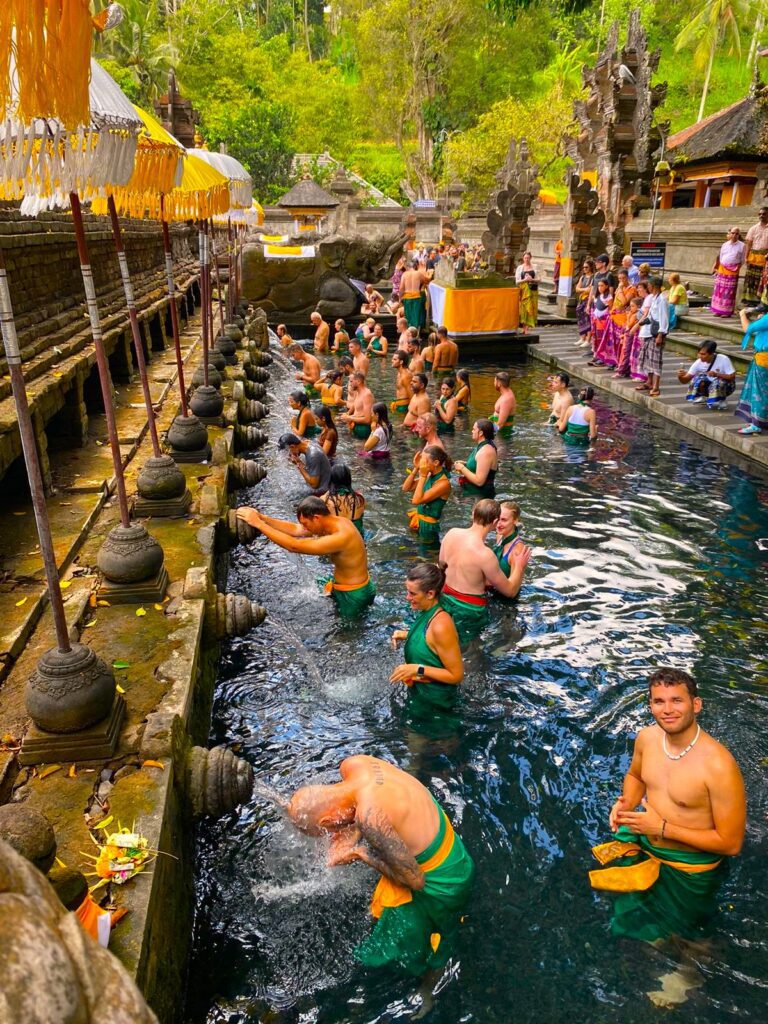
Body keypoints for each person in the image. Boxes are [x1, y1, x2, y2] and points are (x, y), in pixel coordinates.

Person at [590, 668, 745, 1004]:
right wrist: (626, 803)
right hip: (648, 842)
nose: (668, 709)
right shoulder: (647, 738)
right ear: (650, 705)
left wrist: (662, 828)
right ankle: (659, 938)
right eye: (659, 701)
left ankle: (689, 974)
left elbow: (732, 843)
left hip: (692, 868)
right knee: (646, 904)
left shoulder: (718, 765)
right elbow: (634, 775)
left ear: (697, 704)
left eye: (677, 700)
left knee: (693, 930)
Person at [287, 755, 474, 977]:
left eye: (328, 831)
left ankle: (429, 986)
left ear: (327, 822)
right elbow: (378, 804)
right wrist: (354, 831)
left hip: (446, 881)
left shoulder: (370, 818)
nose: (333, 834)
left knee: (420, 944)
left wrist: (360, 853)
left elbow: (416, 880)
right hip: (453, 846)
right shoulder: (355, 765)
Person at [238, 496, 375, 615]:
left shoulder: (341, 536)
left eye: (306, 524)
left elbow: (293, 545)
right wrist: (262, 518)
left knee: (346, 637)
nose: (305, 528)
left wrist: (259, 524)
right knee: (317, 584)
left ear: (316, 518)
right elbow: (296, 530)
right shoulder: (335, 522)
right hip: (345, 586)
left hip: (354, 596)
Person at [438, 499, 531, 639]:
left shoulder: (451, 533)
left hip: (444, 599)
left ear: (473, 513)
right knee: (470, 651)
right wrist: (519, 566)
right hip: (469, 610)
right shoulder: (485, 554)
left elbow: (441, 568)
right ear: (494, 523)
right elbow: (510, 591)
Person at [390, 563, 463, 714]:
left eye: (412, 594)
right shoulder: (428, 611)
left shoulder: (441, 626)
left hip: (436, 705)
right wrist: (408, 634)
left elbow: (456, 675)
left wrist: (417, 669)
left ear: (430, 594)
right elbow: (429, 638)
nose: (407, 597)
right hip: (422, 696)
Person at [402, 445, 451, 545]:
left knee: (427, 557)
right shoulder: (431, 475)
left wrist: (423, 476)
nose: (422, 464)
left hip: (429, 527)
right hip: (420, 522)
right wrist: (416, 468)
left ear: (436, 463)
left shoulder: (443, 483)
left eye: (425, 461)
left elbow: (416, 501)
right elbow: (406, 488)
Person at [735, 308, 768, 434]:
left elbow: (748, 329)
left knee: (759, 392)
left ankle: (756, 423)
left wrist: (743, 314)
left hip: (764, 358)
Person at [677, 340, 736, 409]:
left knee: (719, 382)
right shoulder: (698, 362)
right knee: (696, 379)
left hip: (727, 386)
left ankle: (722, 400)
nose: (700, 356)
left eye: (703, 354)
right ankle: (704, 396)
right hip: (710, 385)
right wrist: (680, 376)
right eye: (699, 353)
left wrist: (717, 374)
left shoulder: (723, 359)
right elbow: (685, 380)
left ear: (711, 354)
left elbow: (732, 376)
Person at [636, 276, 669, 398]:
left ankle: (656, 386)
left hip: (657, 334)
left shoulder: (662, 300)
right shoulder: (654, 298)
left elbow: (664, 319)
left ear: (653, 286)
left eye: (649, 285)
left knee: (655, 360)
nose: (648, 286)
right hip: (649, 332)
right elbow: (651, 316)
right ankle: (649, 382)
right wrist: (640, 323)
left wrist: (660, 335)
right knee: (647, 358)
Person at [454, 419, 497, 497]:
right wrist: (466, 465)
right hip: (472, 492)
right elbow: (481, 466)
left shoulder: (486, 451)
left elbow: (479, 481)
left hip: (480, 496)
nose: (472, 431)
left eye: (474, 429)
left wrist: (462, 468)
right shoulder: (482, 446)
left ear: (480, 433)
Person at [709, 227, 746, 318]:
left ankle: (726, 312)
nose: (734, 235)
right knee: (719, 290)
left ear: (739, 235)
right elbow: (721, 257)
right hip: (722, 269)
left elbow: (742, 260)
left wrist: (736, 268)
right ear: (730, 234)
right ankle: (717, 310)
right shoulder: (725, 244)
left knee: (729, 291)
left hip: (733, 270)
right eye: (732, 233)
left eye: (736, 234)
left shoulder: (742, 246)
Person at [321, 462, 365, 535]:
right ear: (349, 479)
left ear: (332, 480)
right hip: (358, 540)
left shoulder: (325, 500)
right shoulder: (360, 498)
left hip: (337, 540)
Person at [492, 500, 525, 581]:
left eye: (504, 520)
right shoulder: (500, 536)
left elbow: (514, 588)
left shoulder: (517, 551)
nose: (498, 524)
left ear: (515, 521)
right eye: (497, 518)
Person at [742, 207, 768, 305]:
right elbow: (749, 243)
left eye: (764, 214)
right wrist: (746, 256)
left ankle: (760, 301)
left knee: (762, 279)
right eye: (760, 214)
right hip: (753, 256)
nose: (761, 216)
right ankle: (749, 301)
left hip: (764, 258)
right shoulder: (753, 228)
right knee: (750, 279)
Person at [340, 371, 374, 440]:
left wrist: (350, 418)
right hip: (356, 425)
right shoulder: (358, 392)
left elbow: (367, 419)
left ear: (358, 381)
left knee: (360, 449)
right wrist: (346, 415)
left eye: (351, 381)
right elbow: (356, 408)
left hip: (363, 428)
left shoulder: (366, 395)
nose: (350, 384)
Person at [588, 278, 614, 366]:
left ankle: (603, 357)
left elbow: (610, 310)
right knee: (596, 339)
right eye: (599, 286)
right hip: (596, 321)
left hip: (603, 321)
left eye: (602, 285)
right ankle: (597, 355)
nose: (600, 287)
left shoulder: (609, 297)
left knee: (602, 339)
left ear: (606, 286)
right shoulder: (597, 296)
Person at [400, 259, 429, 330]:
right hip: (416, 297)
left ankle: (409, 333)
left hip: (407, 297)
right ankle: (416, 334)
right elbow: (427, 281)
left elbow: (401, 288)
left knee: (408, 317)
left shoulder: (404, 274)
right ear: (416, 266)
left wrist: (400, 298)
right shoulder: (418, 274)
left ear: (408, 267)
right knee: (416, 317)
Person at [515, 251, 539, 333]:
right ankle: (524, 326)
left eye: (528, 258)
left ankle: (527, 328)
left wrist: (532, 280)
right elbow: (517, 281)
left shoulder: (535, 267)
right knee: (523, 309)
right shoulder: (520, 268)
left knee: (531, 308)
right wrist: (525, 280)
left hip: (533, 291)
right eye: (525, 258)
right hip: (523, 291)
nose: (527, 259)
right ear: (523, 258)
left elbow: (539, 279)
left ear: (530, 258)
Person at [575, 259, 595, 345]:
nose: (584, 269)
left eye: (586, 267)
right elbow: (577, 289)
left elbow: (590, 289)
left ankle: (588, 339)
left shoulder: (593, 277)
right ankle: (582, 337)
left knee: (587, 319)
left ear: (590, 267)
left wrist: (583, 290)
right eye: (583, 267)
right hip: (581, 299)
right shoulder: (582, 277)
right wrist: (584, 289)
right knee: (580, 319)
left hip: (588, 300)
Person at [491, 371, 516, 437]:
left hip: (502, 436)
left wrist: (488, 435)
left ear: (499, 383)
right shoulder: (507, 393)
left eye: (494, 381)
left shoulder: (506, 400)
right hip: (500, 433)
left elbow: (500, 424)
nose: (494, 383)